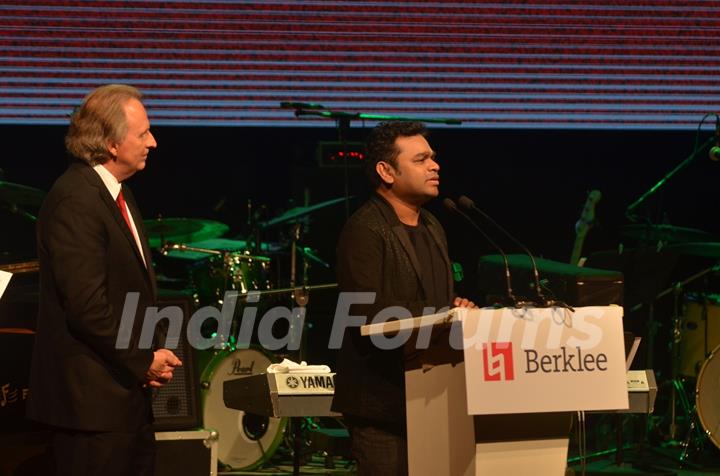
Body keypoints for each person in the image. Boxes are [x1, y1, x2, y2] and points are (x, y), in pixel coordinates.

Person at [27, 84, 181, 476]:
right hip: (90, 410)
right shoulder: (76, 200)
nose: (154, 142)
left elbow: (130, 292)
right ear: (112, 144)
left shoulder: (117, 194)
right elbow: (87, 308)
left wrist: (150, 354)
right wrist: (143, 359)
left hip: (122, 400)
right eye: (143, 133)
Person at [331, 121, 475, 475]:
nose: (434, 166)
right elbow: (368, 313)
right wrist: (442, 315)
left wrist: (459, 310)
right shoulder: (364, 229)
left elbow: (438, 298)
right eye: (421, 159)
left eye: (433, 158)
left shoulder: (432, 226)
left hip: (433, 398)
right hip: (382, 407)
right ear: (386, 171)